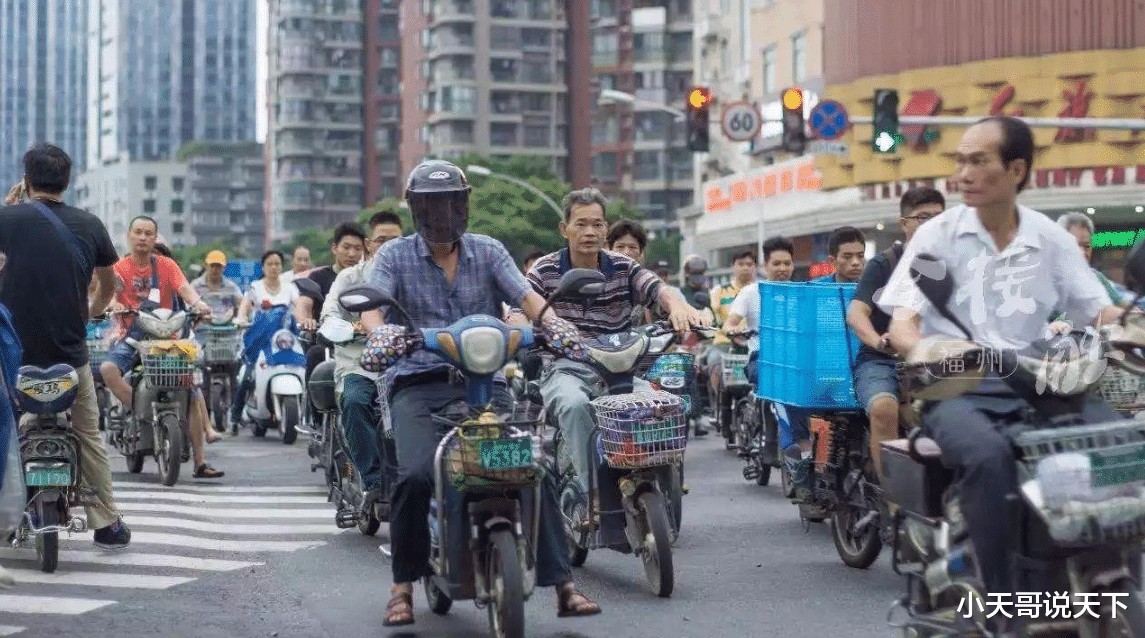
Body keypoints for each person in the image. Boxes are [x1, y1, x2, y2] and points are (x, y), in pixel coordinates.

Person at [879, 116, 1121, 632]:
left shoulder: (1050, 239)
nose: (962, 174)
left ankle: (1111, 579)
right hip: (960, 387)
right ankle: (1004, 606)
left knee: (1115, 441)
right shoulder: (938, 238)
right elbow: (904, 320)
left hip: (1040, 380)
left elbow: (1099, 310)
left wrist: (1130, 323)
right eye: (959, 161)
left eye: (977, 161)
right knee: (989, 459)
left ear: (1015, 170)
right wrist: (929, 348)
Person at [359, 160, 600, 627]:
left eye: (452, 201)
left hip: (487, 382)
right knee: (414, 476)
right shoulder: (394, 257)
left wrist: (554, 325)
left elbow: (528, 299)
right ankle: (401, 587)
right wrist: (379, 335)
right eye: (432, 204)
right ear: (416, 209)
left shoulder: (489, 251)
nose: (443, 212)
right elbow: (373, 307)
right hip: (418, 383)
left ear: (464, 204)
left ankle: (564, 585)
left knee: (535, 467)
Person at [529, 187, 709, 504]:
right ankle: (592, 492)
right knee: (573, 406)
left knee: (664, 407)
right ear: (564, 229)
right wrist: (524, 327)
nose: (590, 232)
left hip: (620, 370)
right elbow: (521, 306)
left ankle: (656, 481)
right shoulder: (544, 270)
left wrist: (680, 308)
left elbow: (657, 288)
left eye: (597, 225)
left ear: (605, 228)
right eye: (581, 224)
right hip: (565, 369)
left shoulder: (623, 267)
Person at [0, 143, 131, 549]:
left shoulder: (6, 218)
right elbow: (110, 285)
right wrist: (88, 313)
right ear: (68, 181)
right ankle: (106, 522)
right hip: (69, 356)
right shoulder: (89, 224)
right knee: (89, 434)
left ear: (26, 178)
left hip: (12, 357)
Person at [100, 216, 225, 479]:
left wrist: (198, 305)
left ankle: (200, 462)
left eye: (148, 233)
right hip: (132, 336)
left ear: (155, 238)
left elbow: (186, 290)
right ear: (129, 236)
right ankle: (138, 408)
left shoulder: (167, 266)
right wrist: (114, 305)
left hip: (168, 338)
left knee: (190, 388)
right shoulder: (119, 268)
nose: (143, 238)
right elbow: (111, 294)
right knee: (109, 370)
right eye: (138, 232)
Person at [847, 186, 945, 474]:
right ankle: (891, 498)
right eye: (923, 218)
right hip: (882, 361)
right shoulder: (884, 264)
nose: (932, 226)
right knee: (883, 408)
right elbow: (856, 314)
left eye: (939, 218)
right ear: (904, 223)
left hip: (939, 360)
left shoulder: (957, 264)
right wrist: (879, 342)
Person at [320, 211, 402, 498]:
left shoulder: (415, 275)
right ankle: (374, 481)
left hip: (404, 364)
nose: (388, 246)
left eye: (396, 240)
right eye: (381, 240)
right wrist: (351, 327)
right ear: (369, 244)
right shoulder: (349, 277)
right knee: (354, 402)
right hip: (359, 363)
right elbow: (329, 317)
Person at [231, 249, 300, 426]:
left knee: (300, 368)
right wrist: (241, 318)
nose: (274, 267)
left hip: (283, 340)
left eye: (277, 264)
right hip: (258, 340)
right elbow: (245, 306)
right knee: (246, 377)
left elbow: (299, 309)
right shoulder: (256, 287)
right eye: (270, 264)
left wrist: (305, 321)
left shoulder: (289, 287)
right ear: (263, 267)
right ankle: (235, 417)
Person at [191, 250, 245, 442]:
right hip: (203, 335)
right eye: (212, 265)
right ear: (206, 265)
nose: (215, 269)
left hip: (227, 335)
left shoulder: (231, 286)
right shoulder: (196, 286)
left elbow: (243, 303)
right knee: (201, 371)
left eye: (218, 266)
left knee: (235, 368)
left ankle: (237, 413)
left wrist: (243, 316)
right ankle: (204, 413)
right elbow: (187, 304)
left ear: (223, 267)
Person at [706, 250, 758, 430]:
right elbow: (710, 315)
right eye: (741, 264)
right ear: (733, 267)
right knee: (715, 363)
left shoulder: (759, 291)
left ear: (755, 268)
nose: (745, 268)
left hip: (753, 342)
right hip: (724, 342)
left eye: (749, 264)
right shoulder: (719, 291)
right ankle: (718, 403)